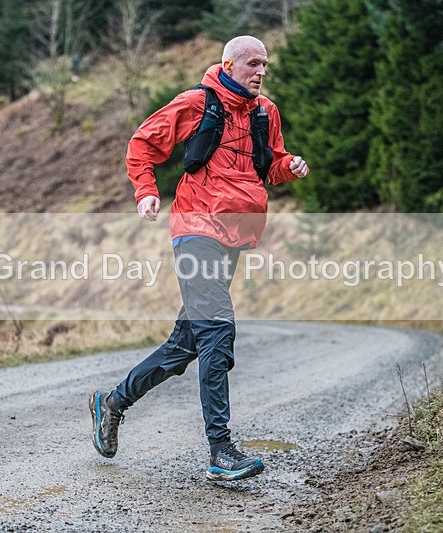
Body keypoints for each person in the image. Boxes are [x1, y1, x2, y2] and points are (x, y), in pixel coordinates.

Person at [89, 35, 309, 482]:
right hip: (195, 229)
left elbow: (267, 164)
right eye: (252, 63)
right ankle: (220, 450)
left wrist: (291, 167)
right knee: (217, 332)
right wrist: (147, 193)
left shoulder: (267, 113)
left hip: (234, 236)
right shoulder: (197, 102)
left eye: (265, 64)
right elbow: (142, 144)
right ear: (229, 64)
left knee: (186, 344)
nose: (261, 71)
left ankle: (113, 402)